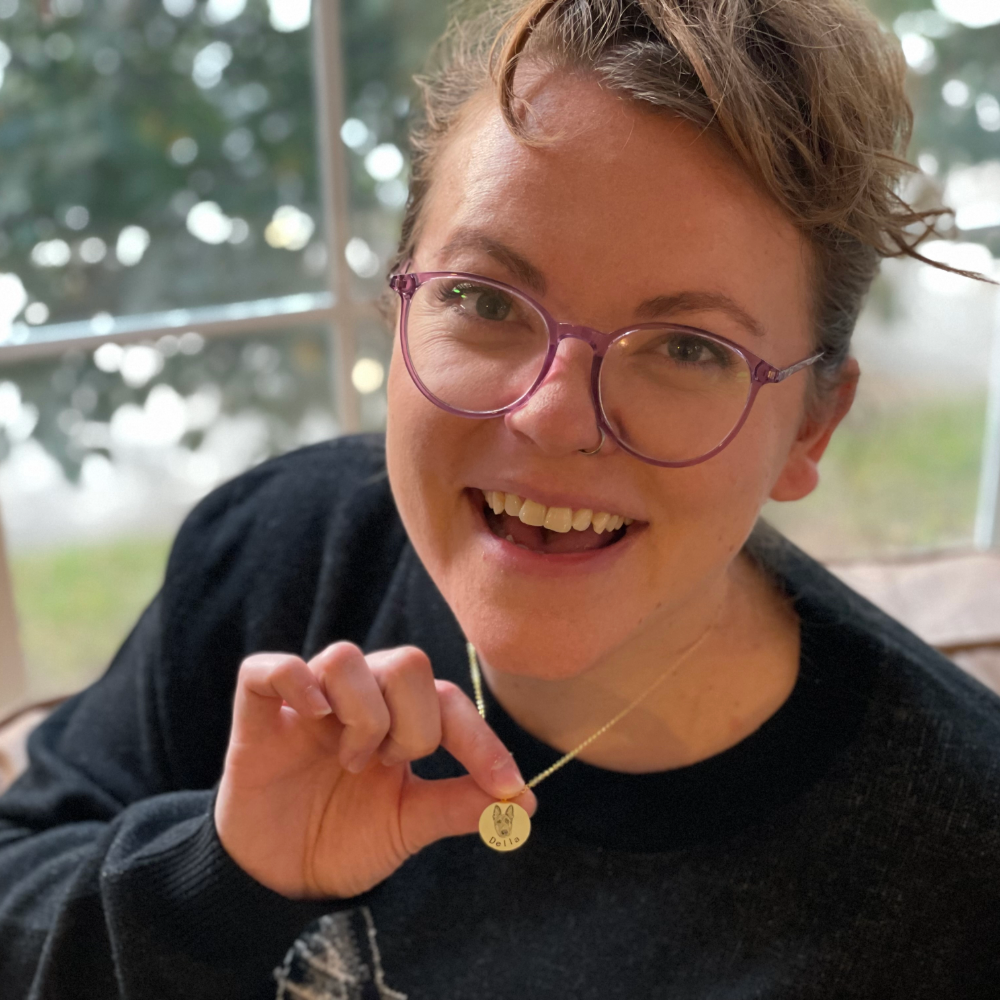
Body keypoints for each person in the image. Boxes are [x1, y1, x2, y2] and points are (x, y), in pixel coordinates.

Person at [2, 0, 999, 997]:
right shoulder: (280, 555)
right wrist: (217, 875)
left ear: (812, 426)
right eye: (482, 298)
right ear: (399, 307)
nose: (553, 417)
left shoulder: (959, 855)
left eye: (688, 348)